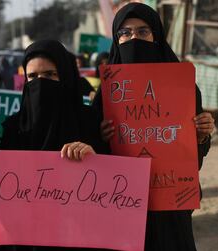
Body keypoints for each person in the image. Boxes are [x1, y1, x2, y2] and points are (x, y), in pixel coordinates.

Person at [91, 3, 215, 251]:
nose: (133, 37)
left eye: (142, 31)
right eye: (124, 33)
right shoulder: (105, 94)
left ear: (156, 36)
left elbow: (192, 159)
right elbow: (90, 157)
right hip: (120, 204)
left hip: (171, 206)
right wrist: (100, 138)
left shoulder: (183, 87)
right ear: (116, 40)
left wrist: (201, 134)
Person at [0, 39, 99, 251]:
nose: (41, 83)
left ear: (66, 76)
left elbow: (113, 186)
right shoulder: (14, 128)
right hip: (29, 241)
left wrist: (94, 156)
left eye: (51, 75)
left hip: (81, 239)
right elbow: (9, 186)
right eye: (33, 77)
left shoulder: (90, 122)